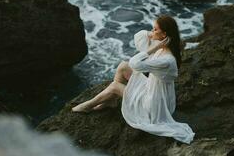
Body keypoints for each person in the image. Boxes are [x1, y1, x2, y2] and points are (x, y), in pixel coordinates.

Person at [72, 15, 195, 144]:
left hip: (155, 105)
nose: (152, 31)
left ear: (164, 35)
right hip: (153, 89)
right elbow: (139, 37)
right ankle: (109, 101)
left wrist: (153, 48)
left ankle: (87, 106)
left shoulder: (166, 59)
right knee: (123, 66)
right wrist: (152, 35)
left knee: (115, 86)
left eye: (155, 29)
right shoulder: (165, 46)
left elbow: (135, 63)